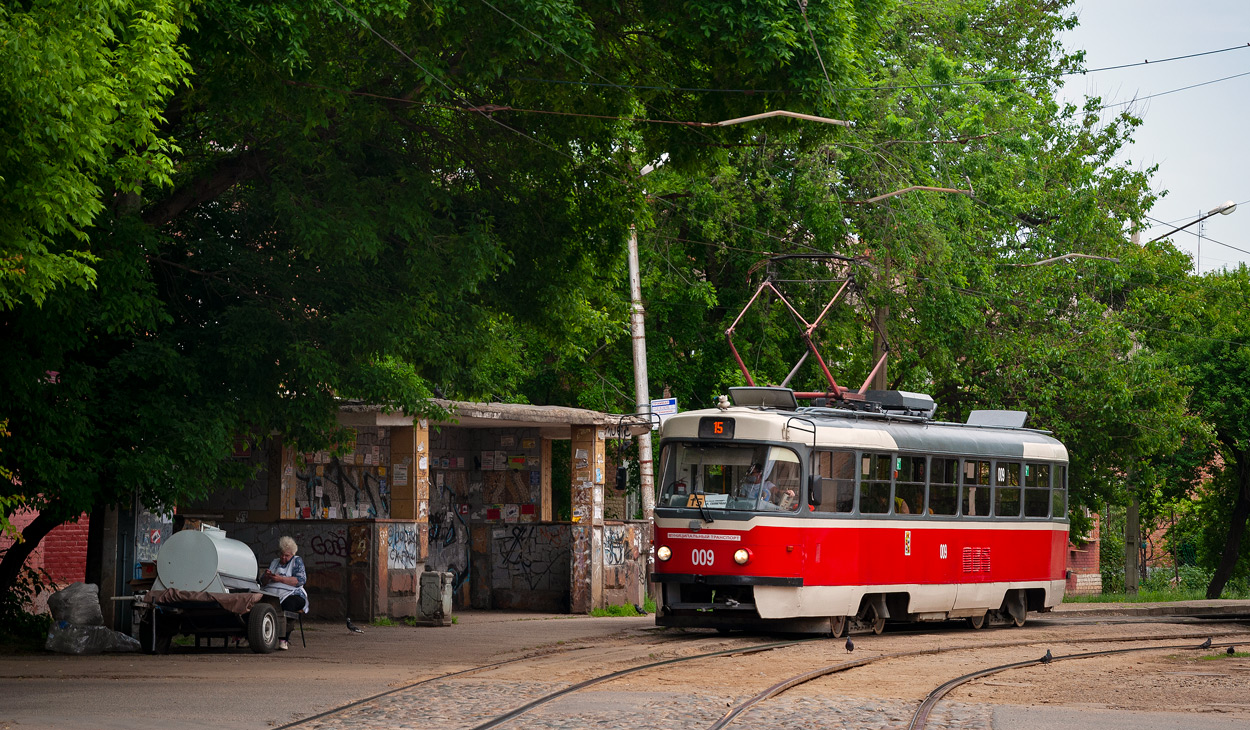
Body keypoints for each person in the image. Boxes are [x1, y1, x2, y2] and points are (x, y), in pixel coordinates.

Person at [261, 536, 309, 650]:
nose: (283, 557)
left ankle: (284, 639)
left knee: (288, 606)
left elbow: (300, 580)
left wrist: (280, 579)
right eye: (282, 554)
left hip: (292, 593)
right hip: (272, 593)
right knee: (259, 603)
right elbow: (262, 582)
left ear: (292, 554)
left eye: (287, 555)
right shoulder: (274, 562)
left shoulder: (297, 561)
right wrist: (267, 577)